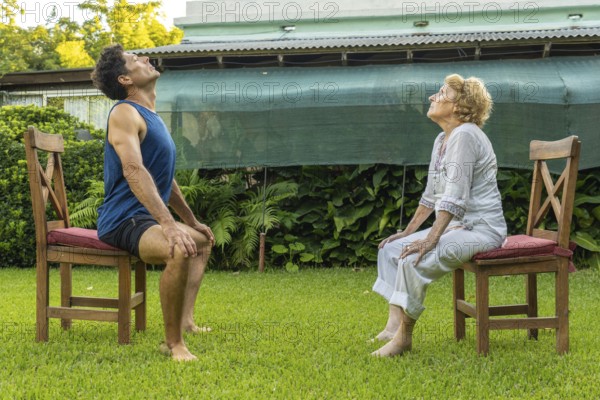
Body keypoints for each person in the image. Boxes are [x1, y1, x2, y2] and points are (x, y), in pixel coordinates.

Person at [91, 44, 215, 361]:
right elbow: (133, 170)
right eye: (136, 60)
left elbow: (164, 180)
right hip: (124, 219)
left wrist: (189, 220)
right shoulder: (123, 113)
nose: (146, 59)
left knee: (201, 241)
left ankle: (186, 322)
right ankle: (173, 344)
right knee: (179, 247)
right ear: (124, 79)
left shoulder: (151, 117)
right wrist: (169, 226)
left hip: (145, 219)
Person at [371, 74, 507, 357]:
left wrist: (430, 240)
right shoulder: (441, 140)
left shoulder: (466, 135)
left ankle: (404, 338)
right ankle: (392, 326)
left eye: (442, 93)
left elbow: (455, 196)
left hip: (482, 230)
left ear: (460, 106)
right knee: (392, 249)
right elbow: (433, 195)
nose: (433, 97)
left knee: (413, 258)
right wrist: (409, 232)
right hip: (457, 228)